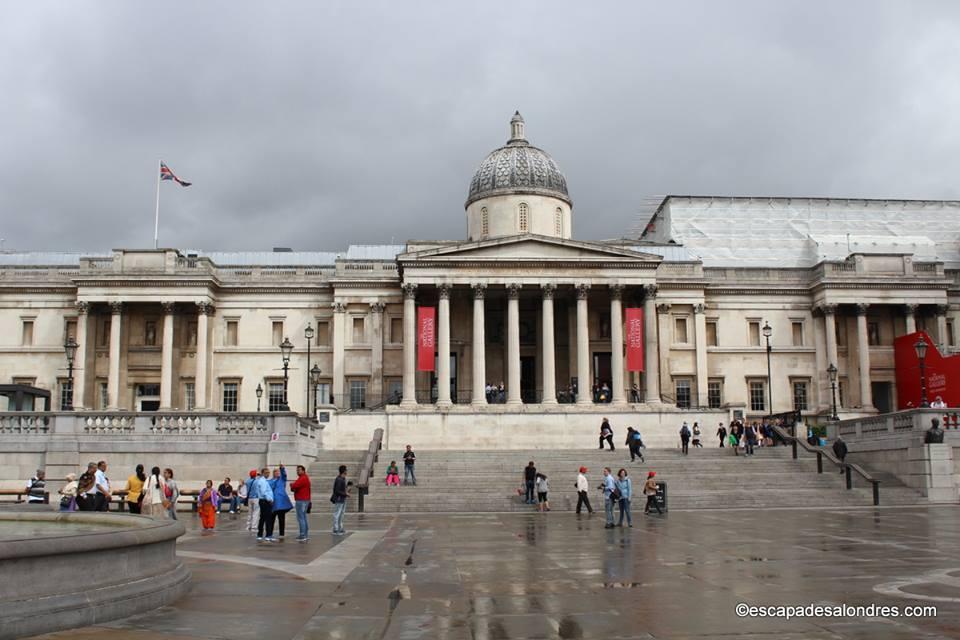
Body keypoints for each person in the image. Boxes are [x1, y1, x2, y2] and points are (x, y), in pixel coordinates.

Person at [270, 465, 294, 539]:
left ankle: (281, 533)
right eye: (276, 472)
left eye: (278, 472)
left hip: (281, 502)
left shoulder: (282, 479)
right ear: (273, 473)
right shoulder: (271, 481)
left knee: (281, 518)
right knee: (272, 519)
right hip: (273, 502)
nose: (277, 473)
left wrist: (282, 468)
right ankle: (270, 533)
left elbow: (284, 475)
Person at [290, 465, 312, 542]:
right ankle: (305, 534)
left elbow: (294, 486)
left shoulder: (303, 478)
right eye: (297, 470)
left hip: (301, 500)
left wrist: (292, 485)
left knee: (301, 518)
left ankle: (303, 535)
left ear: (303, 470)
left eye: (299, 470)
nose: (297, 471)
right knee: (303, 517)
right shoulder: (304, 478)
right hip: (305, 500)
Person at [254, 467, 275, 541]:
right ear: (262, 473)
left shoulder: (263, 481)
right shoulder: (262, 481)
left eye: (268, 472)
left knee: (263, 518)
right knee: (268, 518)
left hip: (263, 501)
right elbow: (264, 492)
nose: (268, 474)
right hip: (265, 501)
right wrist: (269, 499)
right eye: (266, 473)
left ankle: (260, 534)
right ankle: (268, 535)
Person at [331, 465, 351, 535]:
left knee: (341, 514)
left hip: (342, 499)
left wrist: (347, 488)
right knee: (337, 514)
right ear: (344, 471)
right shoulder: (339, 479)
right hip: (339, 499)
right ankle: (335, 528)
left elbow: (342, 489)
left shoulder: (343, 479)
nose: (347, 471)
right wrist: (346, 494)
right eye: (346, 470)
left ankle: (340, 527)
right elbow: (337, 491)